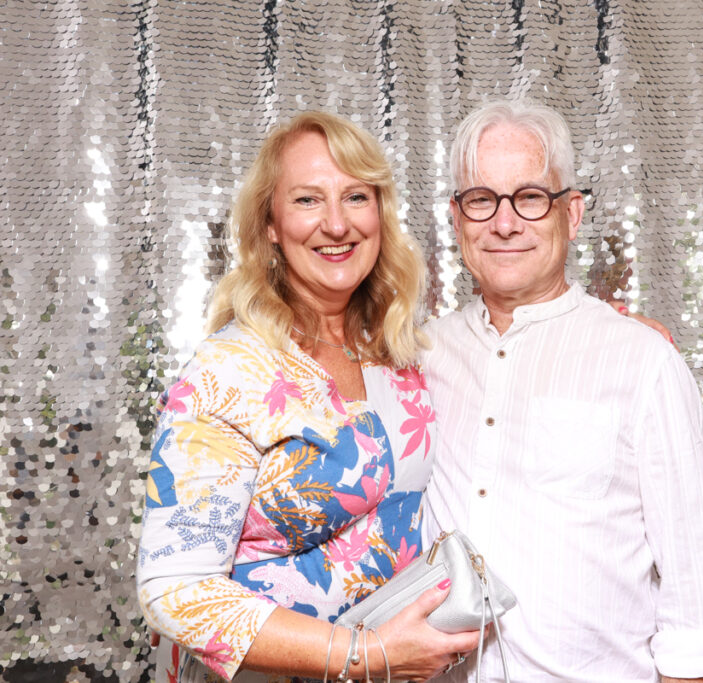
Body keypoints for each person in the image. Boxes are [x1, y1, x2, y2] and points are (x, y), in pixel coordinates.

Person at [135, 111, 479, 682]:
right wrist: (363, 656)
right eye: (307, 200)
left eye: (355, 196)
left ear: (380, 214)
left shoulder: (396, 353)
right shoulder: (229, 370)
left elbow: (498, 362)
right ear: (270, 224)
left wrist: (589, 324)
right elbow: (175, 589)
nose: (337, 224)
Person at [421, 100, 703, 682]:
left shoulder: (642, 360)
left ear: (572, 214)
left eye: (531, 197)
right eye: (482, 199)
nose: (505, 222)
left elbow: (694, 592)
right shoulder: (417, 359)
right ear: (457, 217)